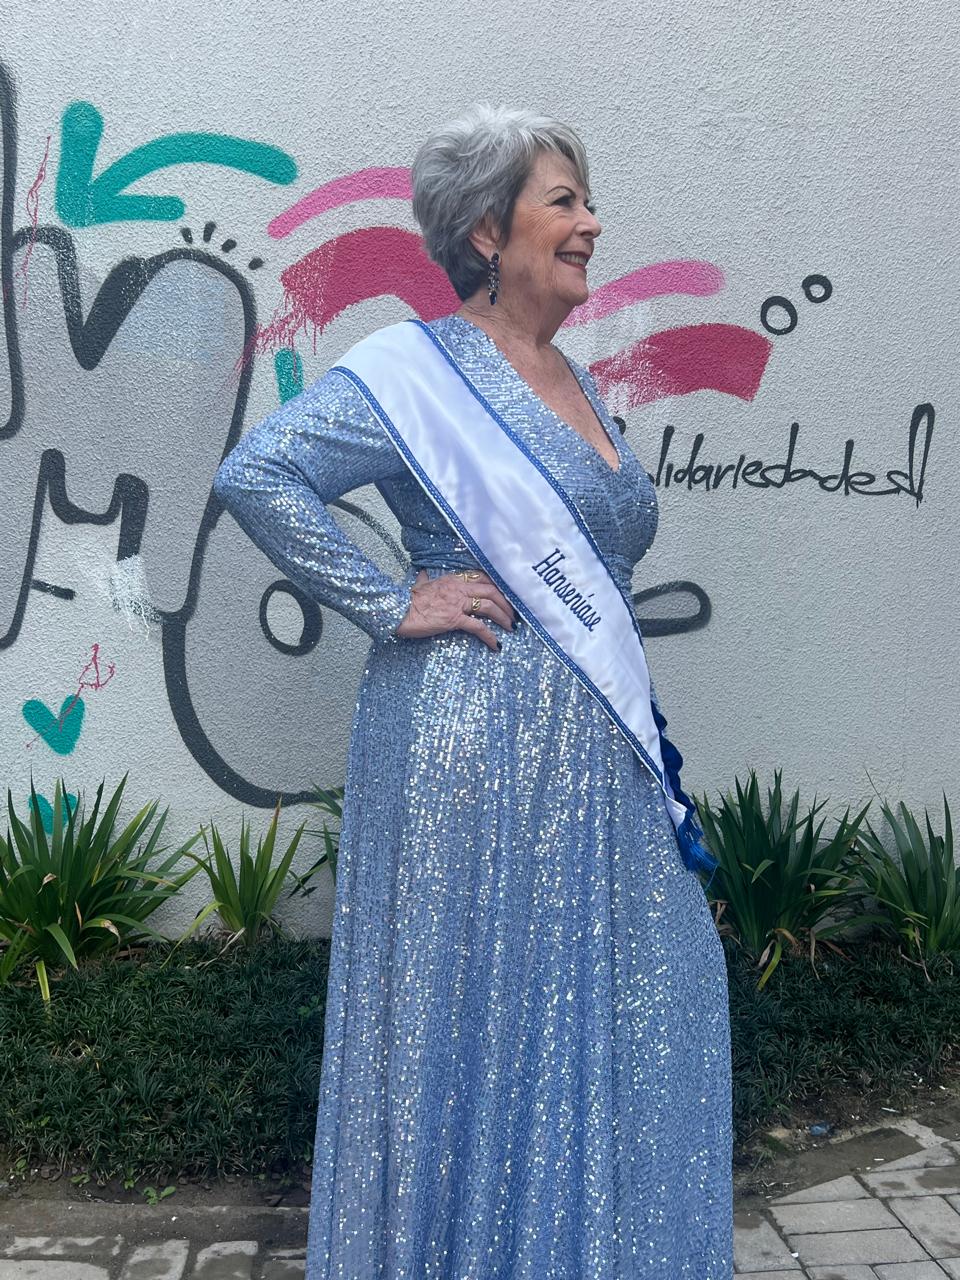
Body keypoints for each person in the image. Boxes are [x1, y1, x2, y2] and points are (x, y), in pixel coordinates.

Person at [214, 102, 732, 1280]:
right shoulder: (415, 372)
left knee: (653, 993)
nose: (591, 223)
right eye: (566, 201)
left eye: (588, 201)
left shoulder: (578, 381)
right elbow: (261, 472)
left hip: (594, 758)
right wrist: (393, 597)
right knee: (476, 1017)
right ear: (488, 230)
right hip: (468, 741)